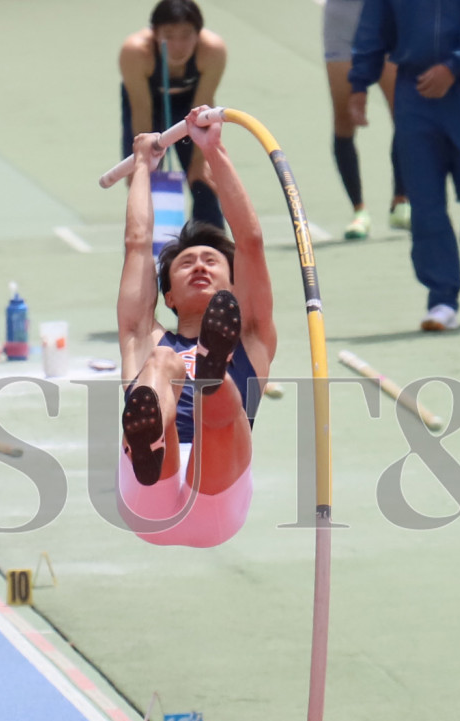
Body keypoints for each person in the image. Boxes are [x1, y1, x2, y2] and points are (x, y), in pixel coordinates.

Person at [116, 106, 277, 548]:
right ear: (167, 297)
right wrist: (143, 168)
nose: (201, 266)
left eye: (211, 261)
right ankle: (152, 438)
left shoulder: (252, 338)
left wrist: (213, 150)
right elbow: (137, 245)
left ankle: (212, 375)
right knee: (162, 361)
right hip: (150, 490)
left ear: (234, 285)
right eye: (186, 263)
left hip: (216, 496)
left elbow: (251, 243)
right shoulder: (144, 338)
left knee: (217, 402)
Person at [348, 0, 460, 330]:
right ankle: (442, 298)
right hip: (414, 93)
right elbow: (373, 23)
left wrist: (454, 67)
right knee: (425, 204)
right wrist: (359, 82)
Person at [119, 0, 226, 229]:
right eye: (168, 36)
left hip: (191, 107)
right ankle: (145, 244)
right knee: (143, 183)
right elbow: (141, 110)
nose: (178, 45)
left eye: (186, 35)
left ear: (198, 34)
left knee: (205, 181)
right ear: (155, 34)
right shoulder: (135, 52)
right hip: (148, 105)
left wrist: (199, 161)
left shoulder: (212, 51)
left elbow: (203, 107)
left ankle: (212, 243)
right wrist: (144, 161)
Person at [323, 0, 410, 240]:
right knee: (344, 119)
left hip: (387, 15)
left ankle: (401, 200)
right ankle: (359, 210)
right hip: (343, 20)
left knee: (403, 113)